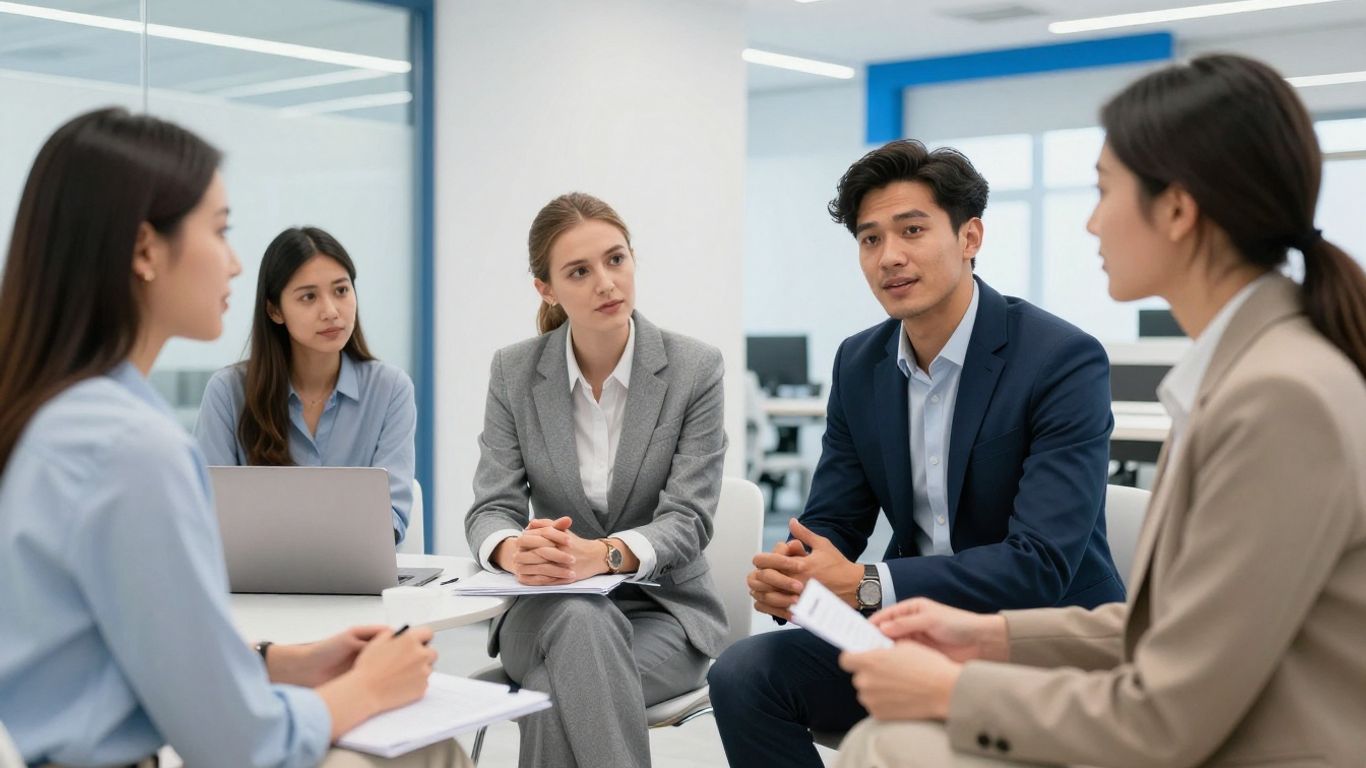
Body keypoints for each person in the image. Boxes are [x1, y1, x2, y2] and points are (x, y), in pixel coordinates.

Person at [835, 53, 1366, 768]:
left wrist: (953, 691)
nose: (1089, 222)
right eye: (871, 239)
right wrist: (989, 638)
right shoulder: (1249, 372)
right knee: (880, 738)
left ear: (1176, 209)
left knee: (892, 746)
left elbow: (1167, 715)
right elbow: (1178, 630)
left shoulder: (1278, 397)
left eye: (1103, 190)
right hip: (1210, 723)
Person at [0, 108, 469, 768]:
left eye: (340, 290)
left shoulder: (52, 417)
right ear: (143, 250)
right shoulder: (131, 449)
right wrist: (366, 688)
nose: (235, 261)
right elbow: (239, 744)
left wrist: (280, 663)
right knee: (427, 748)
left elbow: (134, 648)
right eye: (220, 231)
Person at [709, 138, 1124, 767]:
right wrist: (796, 568)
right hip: (908, 631)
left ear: (970, 237)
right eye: (870, 239)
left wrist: (870, 584)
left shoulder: (1060, 360)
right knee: (745, 675)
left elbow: (1040, 563)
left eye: (912, 230)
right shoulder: (860, 361)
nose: (890, 257)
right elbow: (836, 518)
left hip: (1034, 639)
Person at [465, 192, 728, 768]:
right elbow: (491, 508)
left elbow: (688, 520)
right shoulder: (514, 372)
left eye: (616, 260)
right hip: (545, 608)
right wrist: (513, 550)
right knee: (580, 622)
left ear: (633, 259)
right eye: (579, 272)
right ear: (546, 289)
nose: (606, 282)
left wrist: (605, 556)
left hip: (665, 613)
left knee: (556, 691)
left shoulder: (694, 369)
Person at [195, 226, 417, 544]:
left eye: (341, 290)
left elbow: (391, 516)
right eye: (308, 296)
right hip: (254, 587)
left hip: (355, 581)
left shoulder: (391, 389)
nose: (330, 311)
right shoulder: (228, 392)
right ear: (274, 310)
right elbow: (207, 511)